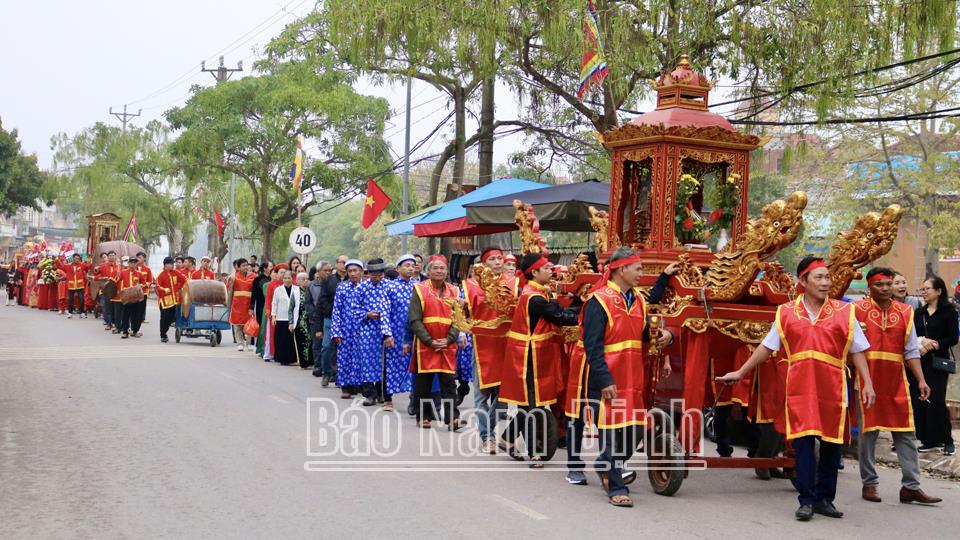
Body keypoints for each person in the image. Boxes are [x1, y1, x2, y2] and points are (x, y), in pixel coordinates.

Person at [718, 256, 876, 521]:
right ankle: (806, 499)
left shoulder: (844, 311)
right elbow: (767, 346)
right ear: (803, 281)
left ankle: (825, 499)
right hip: (800, 387)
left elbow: (858, 349)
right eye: (819, 277)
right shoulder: (786, 312)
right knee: (803, 444)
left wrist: (867, 383)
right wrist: (741, 372)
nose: (826, 283)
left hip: (833, 387)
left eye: (827, 277)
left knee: (831, 445)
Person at [854, 267, 941, 504]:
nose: (885, 289)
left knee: (906, 432)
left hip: (896, 381)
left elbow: (911, 350)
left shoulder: (904, 312)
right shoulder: (856, 310)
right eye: (879, 284)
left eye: (888, 284)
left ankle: (911, 486)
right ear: (869, 286)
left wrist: (921, 379)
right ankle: (869, 483)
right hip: (867, 380)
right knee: (867, 433)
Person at [499, 252, 581, 466]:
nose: (550, 270)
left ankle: (507, 439)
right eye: (546, 268)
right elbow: (560, 316)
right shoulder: (534, 298)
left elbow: (559, 310)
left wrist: (583, 307)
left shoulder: (539, 292)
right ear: (534, 273)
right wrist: (586, 314)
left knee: (530, 403)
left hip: (535, 354)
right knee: (533, 405)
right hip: (527, 357)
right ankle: (535, 452)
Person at [462, 247, 517, 454]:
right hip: (482, 345)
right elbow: (465, 314)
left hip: (506, 345)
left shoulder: (513, 283)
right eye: (492, 259)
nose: (497, 262)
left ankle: (489, 431)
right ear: (484, 264)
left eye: (499, 258)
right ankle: (487, 437)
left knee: (503, 396)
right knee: (481, 396)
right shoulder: (471, 286)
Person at [408, 255, 461, 429]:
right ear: (428, 271)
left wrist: (449, 339)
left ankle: (452, 418)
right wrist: (429, 341)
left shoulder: (455, 291)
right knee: (423, 382)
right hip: (426, 344)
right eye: (435, 268)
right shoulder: (419, 289)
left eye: (442, 268)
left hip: (447, 344)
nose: (439, 271)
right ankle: (423, 416)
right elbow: (414, 319)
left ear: (447, 271)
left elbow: (458, 319)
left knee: (449, 383)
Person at [914, 275, 958, 456]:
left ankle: (947, 440)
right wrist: (922, 342)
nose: (924, 292)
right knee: (922, 400)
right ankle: (928, 439)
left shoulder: (949, 312)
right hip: (919, 361)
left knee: (937, 400)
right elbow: (912, 334)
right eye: (922, 289)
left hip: (938, 362)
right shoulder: (919, 312)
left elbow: (953, 338)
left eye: (927, 289)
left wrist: (935, 344)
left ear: (938, 291)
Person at [350, 259, 395, 406]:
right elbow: (354, 309)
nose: (376, 277)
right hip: (367, 330)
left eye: (379, 274)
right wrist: (367, 314)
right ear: (368, 274)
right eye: (373, 274)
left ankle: (382, 392)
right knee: (367, 362)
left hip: (386, 329)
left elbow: (396, 308)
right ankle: (369, 394)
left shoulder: (390, 287)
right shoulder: (361, 288)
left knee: (384, 361)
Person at [384, 254, 417, 410]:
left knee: (414, 365)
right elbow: (384, 312)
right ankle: (387, 398)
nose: (410, 268)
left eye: (413, 266)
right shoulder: (389, 287)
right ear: (398, 268)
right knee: (390, 365)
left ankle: (414, 399)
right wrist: (387, 334)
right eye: (407, 265)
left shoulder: (418, 286)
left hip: (414, 332)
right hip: (395, 332)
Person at [331, 259, 364, 397]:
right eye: (350, 271)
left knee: (360, 358)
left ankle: (360, 385)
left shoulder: (367, 287)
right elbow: (336, 311)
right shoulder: (342, 288)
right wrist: (336, 332)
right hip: (345, 329)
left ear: (361, 271)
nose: (353, 273)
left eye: (355, 270)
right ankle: (345, 387)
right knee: (344, 358)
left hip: (362, 330)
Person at [315, 256, 347, 384]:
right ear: (337, 264)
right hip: (330, 318)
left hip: (346, 320)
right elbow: (322, 300)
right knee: (327, 347)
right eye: (342, 262)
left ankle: (340, 375)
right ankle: (326, 373)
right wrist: (331, 310)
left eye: (346, 262)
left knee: (343, 348)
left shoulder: (352, 280)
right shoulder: (329, 280)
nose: (344, 264)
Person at [305, 261, 330, 375]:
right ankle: (318, 366)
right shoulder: (311, 285)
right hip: (315, 319)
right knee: (317, 343)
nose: (328, 272)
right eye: (325, 270)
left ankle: (328, 368)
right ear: (318, 272)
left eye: (329, 270)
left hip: (328, 317)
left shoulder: (332, 284)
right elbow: (308, 303)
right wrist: (315, 314)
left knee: (328, 345)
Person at [227, 258, 256, 351]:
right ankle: (239, 342)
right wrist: (228, 304)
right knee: (237, 324)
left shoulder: (254, 277)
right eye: (243, 266)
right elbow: (229, 291)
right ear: (238, 267)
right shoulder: (233, 277)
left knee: (249, 324)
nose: (245, 267)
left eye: (246, 265)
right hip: (237, 304)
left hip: (248, 304)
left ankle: (249, 343)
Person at [155, 256, 185, 343]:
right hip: (164, 301)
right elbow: (157, 286)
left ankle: (165, 331)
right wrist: (164, 289)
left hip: (173, 300)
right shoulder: (161, 275)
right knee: (164, 318)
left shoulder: (176, 273)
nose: (173, 265)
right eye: (171, 264)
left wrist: (178, 287)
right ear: (166, 265)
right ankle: (163, 335)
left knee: (171, 317)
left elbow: (183, 280)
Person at [288, 271, 314, 369]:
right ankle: (303, 363)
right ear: (298, 281)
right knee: (301, 341)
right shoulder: (295, 292)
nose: (306, 281)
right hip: (299, 321)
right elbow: (291, 309)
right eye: (303, 279)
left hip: (311, 320)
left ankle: (312, 362)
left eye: (307, 279)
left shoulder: (312, 290)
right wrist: (291, 322)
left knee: (311, 341)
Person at [262, 263, 288, 361]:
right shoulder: (272, 284)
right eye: (281, 272)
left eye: (284, 273)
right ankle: (269, 353)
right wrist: (268, 310)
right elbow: (268, 299)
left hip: (285, 314)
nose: (283, 275)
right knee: (271, 334)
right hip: (274, 313)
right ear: (277, 274)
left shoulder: (290, 284)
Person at [271, 270, 297, 366]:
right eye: (285, 278)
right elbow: (274, 303)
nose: (287, 280)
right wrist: (273, 316)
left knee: (291, 340)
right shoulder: (278, 290)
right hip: (281, 318)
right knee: (281, 339)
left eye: (288, 278)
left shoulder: (296, 289)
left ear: (292, 278)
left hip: (293, 318)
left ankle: (292, 358)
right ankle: (282, 358)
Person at [56, 253, 91, 318]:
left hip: (80, 285)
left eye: (78, 258)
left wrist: (90, 260)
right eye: (76, 258)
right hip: (71, 285)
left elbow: (89, 266)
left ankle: (82, 312)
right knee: (71, 299)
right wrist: (56, 259)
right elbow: (60, 266)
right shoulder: (68, 266)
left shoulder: (82, 265)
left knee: (81, 299)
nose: (77, 260)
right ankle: (70, 312)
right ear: (73, 258)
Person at [116, 256, 143, 339]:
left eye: (135, 262)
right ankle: (125, 331)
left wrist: (141, 286)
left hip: (136, 297)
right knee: (125, 315)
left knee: (135, 315)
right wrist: (120, 291)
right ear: (128, 263)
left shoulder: (139, 273)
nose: (133, 264)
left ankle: (135, 331)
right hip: (127, 297)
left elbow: (144, 283)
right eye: (131, 262)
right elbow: (117, 282)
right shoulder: (123, 272)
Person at [252, 261, 273, 352]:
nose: (272, 268)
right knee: (261, 324)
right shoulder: (258, 279)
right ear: (265, 268)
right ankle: (260, 345)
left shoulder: (272, 279)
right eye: (270, 266)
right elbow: (254, 294)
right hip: (261, 305)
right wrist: (251, 307)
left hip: (271, 305)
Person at [135, 252, 153, 332]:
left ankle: (141, 318)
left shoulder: (147, 269)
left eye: (140, 257)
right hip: (134, 292)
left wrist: (145, 285)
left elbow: (150, 280)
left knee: (142, 306)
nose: (138, 259)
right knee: (134, 306)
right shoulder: (133, 268)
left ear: (144, 259)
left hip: (144, 291)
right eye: (137, 257)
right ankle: (134, 319)